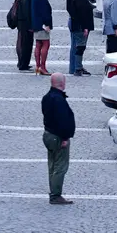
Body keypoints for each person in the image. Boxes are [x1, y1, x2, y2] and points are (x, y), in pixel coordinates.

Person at [41, 72, 76, 205]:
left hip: (48, 135)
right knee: (60, 166)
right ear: (62, 83)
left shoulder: (47, 97)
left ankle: (53, 192)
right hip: (58, 137)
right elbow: (63, 121)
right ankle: (56, 195)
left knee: (52, 165)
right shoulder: (59, 100)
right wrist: (65, 138)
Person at [67, 0, 94, 76]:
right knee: (80, 47)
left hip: (79, 26)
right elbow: (82, 15)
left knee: (80, 46)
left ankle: (78, 66)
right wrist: (85, 27)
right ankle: (77, 67)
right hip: (80, 27)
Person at [30, 0, 53, 75]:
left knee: (38, 45)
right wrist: (47, 24)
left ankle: (38, 66)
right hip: (42, 25)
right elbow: (44, 12)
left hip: (36, 24)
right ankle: (42, 66)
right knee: (45, 44)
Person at [12, 0, 34, 71]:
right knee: (26, 44)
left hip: (22, 24)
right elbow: (27, 13)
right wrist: (31, 25)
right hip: (25, 24)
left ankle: (23, 62)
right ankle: (23, 63)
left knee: (22, 43)